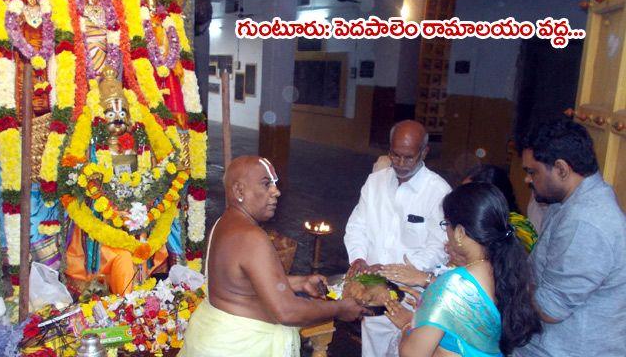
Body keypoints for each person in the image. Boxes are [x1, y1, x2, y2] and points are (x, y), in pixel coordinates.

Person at [180, 156, 366, 357]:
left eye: (275, 184)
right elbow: (287, 311)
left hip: (213, 336)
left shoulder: (222, 224)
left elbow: (240, 283)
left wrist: (298, 282)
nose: (276, 192)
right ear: (239, 191)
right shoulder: (252, 237)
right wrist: (341, 308)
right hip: (239, 347)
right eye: (266, 184)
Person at [385, 182, 542, 356]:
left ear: (459, 232)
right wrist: (431, 309)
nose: (447, 233)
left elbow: (413, 354)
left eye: (446, 224)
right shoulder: (506, 271)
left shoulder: (453, 285)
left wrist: (409, 323)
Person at [513, 120, 626, 357]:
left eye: (532, 172)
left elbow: (549, 309)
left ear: (562, 169)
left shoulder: (585, 222)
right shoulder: (569, 201)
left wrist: (515, 280)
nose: (527, 180)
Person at [344, 120, 451, 357]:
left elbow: (440, 247)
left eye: (409, 157)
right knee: (372, 350)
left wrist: (398, 272)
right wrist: (359, 258)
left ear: (424, 152)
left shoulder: (439, 192)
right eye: (395, 155)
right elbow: (357, 226)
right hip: (373, 291)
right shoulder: (375, 182)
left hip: (413, 297)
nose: (400, 164)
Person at [464, 165, 538, 253]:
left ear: (490, 198)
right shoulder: (474, 224)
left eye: (467, 196)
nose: (461, 200)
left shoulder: (518, 229)